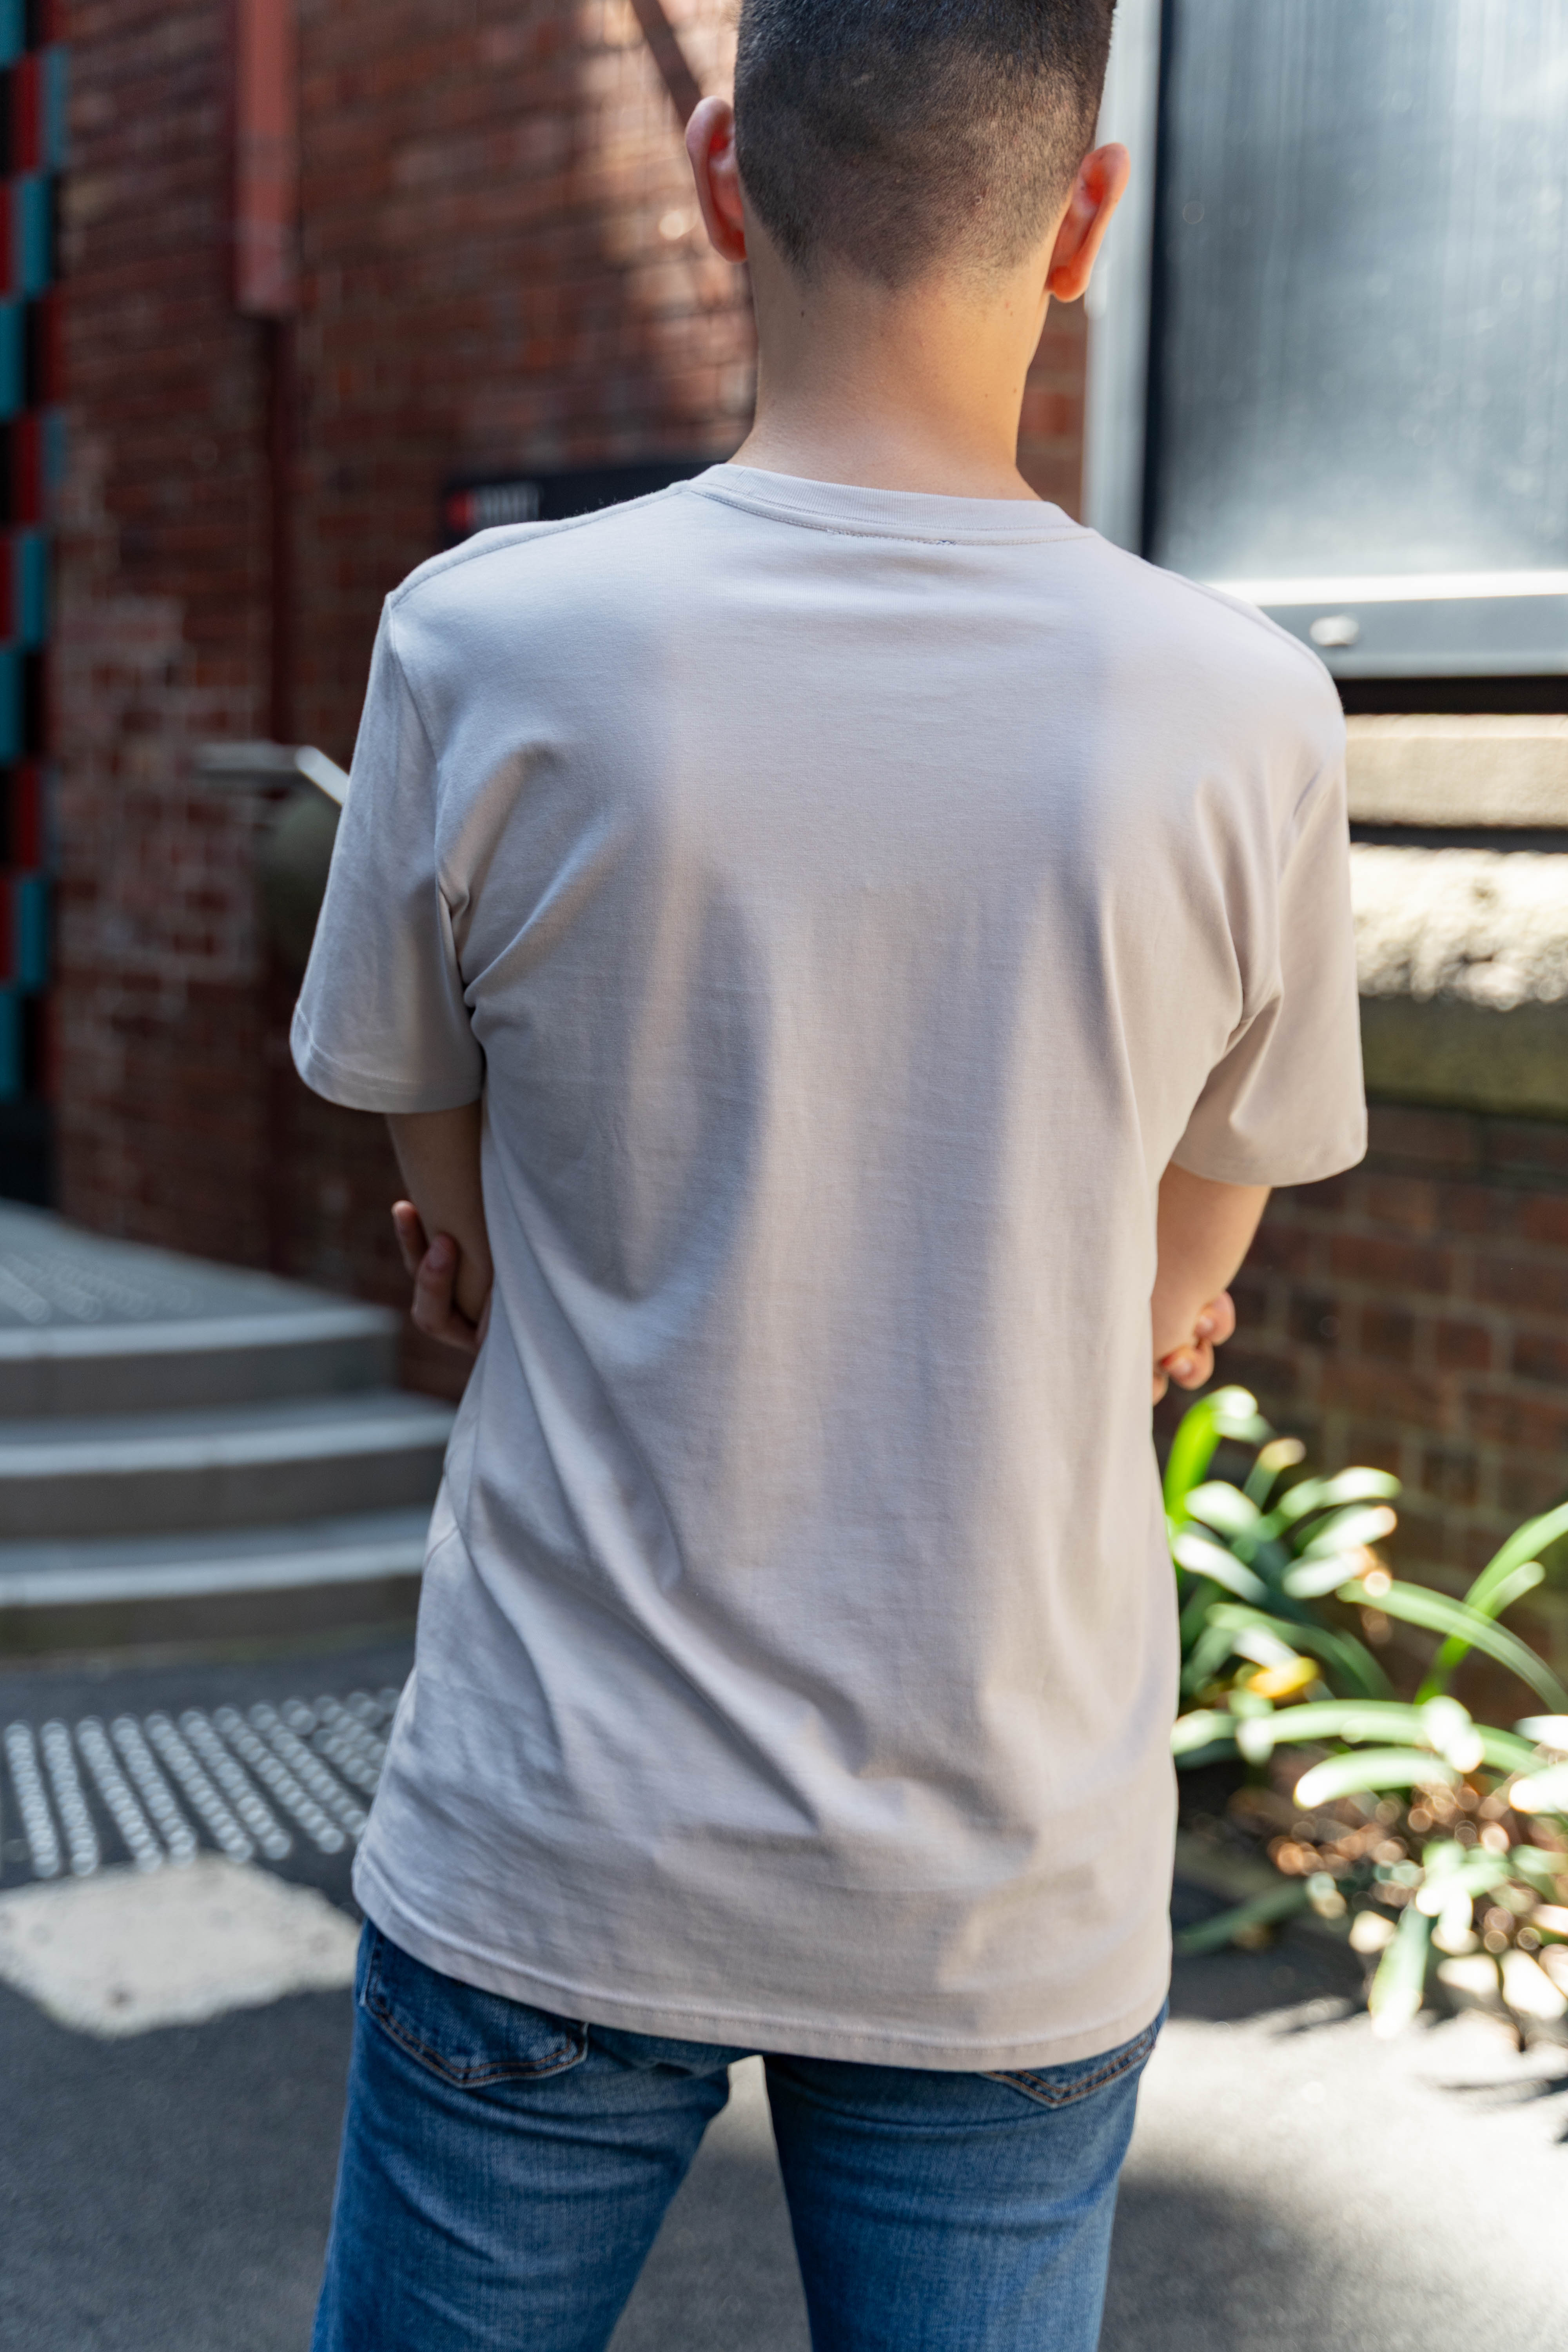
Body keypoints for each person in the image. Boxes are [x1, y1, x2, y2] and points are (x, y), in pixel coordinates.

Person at [293, 2, 1365, 2343]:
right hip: (1004, 1873)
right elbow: (1212, 1213)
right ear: (1083, 223)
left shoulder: (482, 641)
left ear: (718, 175)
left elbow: (431, 1149)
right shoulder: (1250, 707)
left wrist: (494, 1234)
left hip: (558, 1831)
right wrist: (1128, 1302)